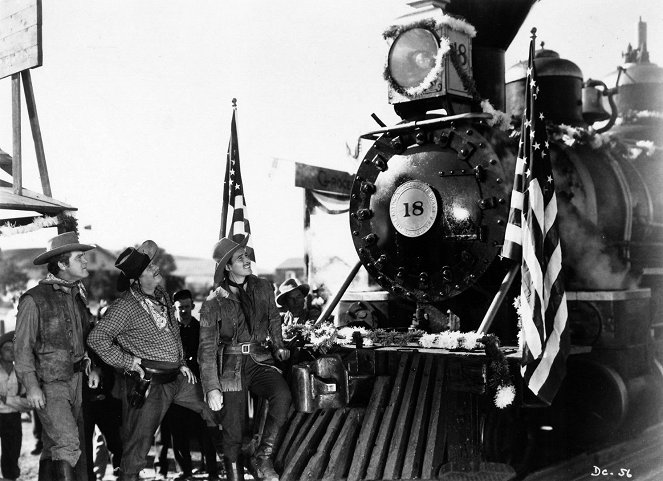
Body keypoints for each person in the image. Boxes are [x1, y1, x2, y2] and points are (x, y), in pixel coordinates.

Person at [87, 240, 222, 481]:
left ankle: (226, 460)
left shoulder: (163, 296)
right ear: (137, 279)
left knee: (213, 406)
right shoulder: (125, 306)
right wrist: (129, 362)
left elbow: (173, 332)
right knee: (138, 447)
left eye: (153, 264)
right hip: (149, 384)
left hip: (177, 377)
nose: (156, 268)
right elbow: (97, 338)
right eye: (150, 268)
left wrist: (181, 361)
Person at [199, 234, 292, 481]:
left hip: (260, 359)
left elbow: (273, 317)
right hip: (230, 367)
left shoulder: (263, 287)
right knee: (233, 431)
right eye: (240, 258)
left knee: (282, 396)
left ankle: (262, 457)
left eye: (247, 255)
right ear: (227, 267)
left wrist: (279, 345)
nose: (247, 260)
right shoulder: (213, 302)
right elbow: (206, 349)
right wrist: (211, 388)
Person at [14, 231, 101, 481]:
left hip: (75, 382)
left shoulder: (76, 295)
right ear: (62, 264)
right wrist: (31, 387)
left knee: (56, 446)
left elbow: (82, 338)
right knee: (68, 444)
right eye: (79, 257)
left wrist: (89, 365)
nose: (85, 261)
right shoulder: (34, 299)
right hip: (50, 385)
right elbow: (22, 348)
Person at [156, 289, 219, 480]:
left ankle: (212, 470)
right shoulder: (170, 331)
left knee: (204, 428)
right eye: (179, 308)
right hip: (176, 386)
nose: (183, 311)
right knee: (177, 428)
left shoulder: (201, 330)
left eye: (186, 307)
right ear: (174, 309)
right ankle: (184, 470)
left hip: (197, 386)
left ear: (192, 306)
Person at [0, 331, 31, 480]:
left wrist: (7, 400)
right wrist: (16, 400)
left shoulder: (21, 373)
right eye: (7, 349)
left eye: (14, 349)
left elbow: (28, 403)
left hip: (13, 418)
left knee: (12, 454)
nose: (11, 352)